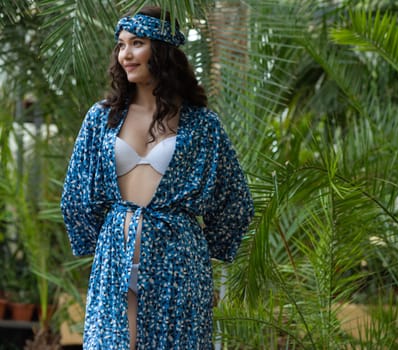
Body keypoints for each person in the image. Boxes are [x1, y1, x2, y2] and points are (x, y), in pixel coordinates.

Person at [60, 6, 254, 349]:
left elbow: (234, 199)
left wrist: (199, 254)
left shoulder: (201, 125)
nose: (125, 55)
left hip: (178, 263)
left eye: (137, 43)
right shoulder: (101, 118)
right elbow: (76, 192)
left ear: (162, 50)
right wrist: (100, 240)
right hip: (115, 256)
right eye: (121, 45)